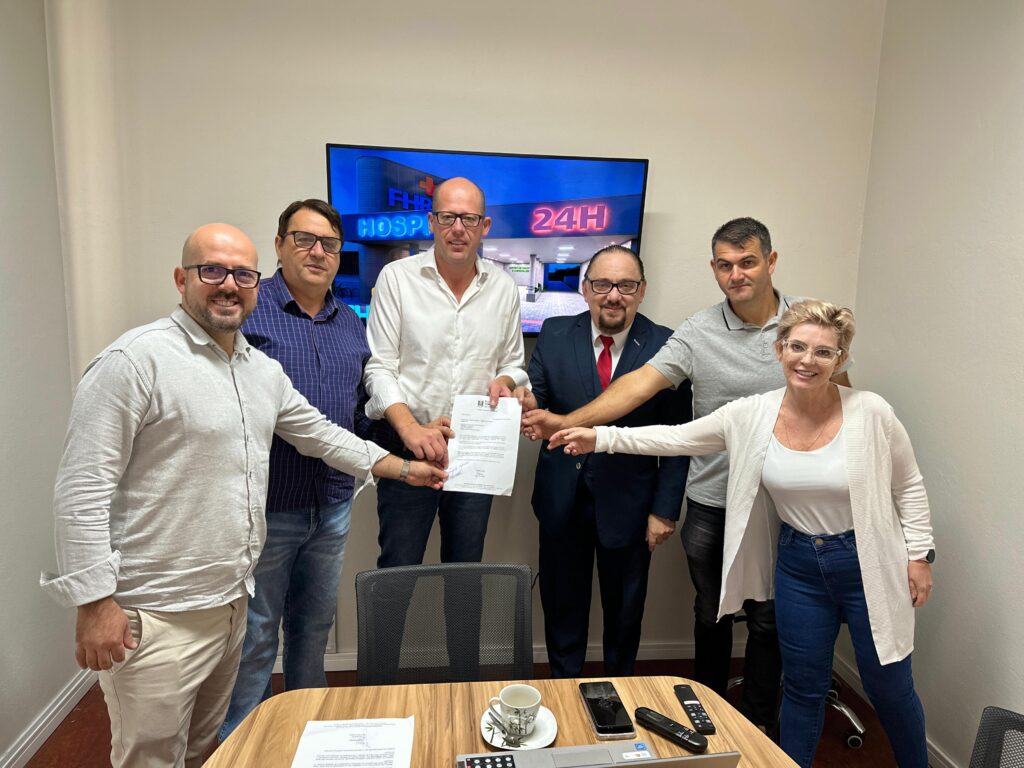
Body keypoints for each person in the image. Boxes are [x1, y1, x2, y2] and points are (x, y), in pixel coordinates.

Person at [40, 223, 445, 768]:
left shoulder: (259, 370)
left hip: (230, 603)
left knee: (204, 748)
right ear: (182, 279)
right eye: (213, 270)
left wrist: (403, 468)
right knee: (150, 757)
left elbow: (321, 434)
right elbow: (81, 489)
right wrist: (93, 604)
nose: (229, 285)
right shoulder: (135, 361)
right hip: (155, 615)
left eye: (242, 274)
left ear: (256, 284)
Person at [550, 299, 934, 768]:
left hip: (868, 559)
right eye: (797, 347)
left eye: (823, 352)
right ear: (779, 349)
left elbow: (908, 484)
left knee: (889, 686)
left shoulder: (870, 411)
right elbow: (677, 437)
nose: (807, 360)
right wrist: (601, 436)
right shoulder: (752, 413)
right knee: (802, 687)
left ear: (840, 360)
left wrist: (919, 555)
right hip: (799, 566)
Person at [522, 217, 844, 727]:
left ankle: (757, 724)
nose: (736, 274)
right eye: (725, 264)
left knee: (769, 619)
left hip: (785, 500)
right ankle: (709, 719)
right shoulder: (696, 332)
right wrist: (560, 421)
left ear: (771, 261)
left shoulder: (803, 327)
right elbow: (641, 392)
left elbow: (840, 399)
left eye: (748, 262)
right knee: (710, 612)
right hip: (712, 498)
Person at [220, 200, 371, 739]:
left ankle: (311, 731)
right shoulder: (248, 312)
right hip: (268, 506)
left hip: (332, 504)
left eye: (329, 244)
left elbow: (357, 414)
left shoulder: (350, 323)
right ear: (279, 245)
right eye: (304, 239)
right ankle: (246, 740)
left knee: (314, 627)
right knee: (257, 634)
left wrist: (415, 440)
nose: (317, 252)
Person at [513, 245, 690, 677]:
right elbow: (538, 395)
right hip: (562, 499)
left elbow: (677, 437)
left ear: (642, 291)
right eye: (603, 284)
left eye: (626, 285)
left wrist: (664, 511)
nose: (613, 295)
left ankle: (619, 692)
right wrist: (524, 402)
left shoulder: (667, 345)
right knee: (562, 610)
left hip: (631, 505)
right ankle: (565, 691)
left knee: (625, 615)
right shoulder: (555, 332)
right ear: (585, 289)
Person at [363, 176, 528, 568]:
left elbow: (513, 363)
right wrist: (411, 430)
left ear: (484, 226)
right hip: (408, 450)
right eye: (447, 217)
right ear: (431, 222)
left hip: (475, 453)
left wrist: (505, 381)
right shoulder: (397, 278)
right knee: (397, 573)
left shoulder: (504, 288)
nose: (458, 228)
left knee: (464, 574)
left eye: (469, 219)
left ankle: (461, 616)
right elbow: (379, 367)